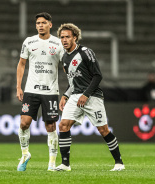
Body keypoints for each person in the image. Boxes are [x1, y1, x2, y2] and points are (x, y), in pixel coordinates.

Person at [55, 23, 124, 171]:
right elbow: (72, 82)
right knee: (63, 125)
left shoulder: (85, 52)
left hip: (92, 96)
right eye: (62, 37)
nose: (64, 40)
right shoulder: (64, 58)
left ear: (75, 37)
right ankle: (65, 164)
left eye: (67, 37)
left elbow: (98, 76)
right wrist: (65, 96)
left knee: (103, 130)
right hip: (75, 96)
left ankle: (119, 163)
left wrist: (86, 94)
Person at [16, 12, 64, 171]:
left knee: (50, 126)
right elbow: (22, 64)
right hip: (31, 90)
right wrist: (18, 86)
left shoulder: (58, 44)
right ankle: (25, 154)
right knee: (24, 123)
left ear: (50, 24)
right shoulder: (29, 41)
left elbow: (66, 65)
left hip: (50, 91)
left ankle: (51, 164)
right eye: (38, 23)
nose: (40, 25)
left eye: (43, 23)